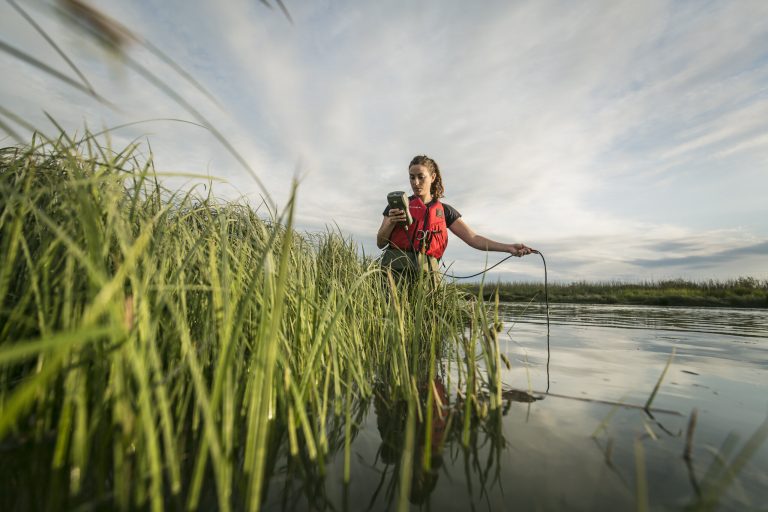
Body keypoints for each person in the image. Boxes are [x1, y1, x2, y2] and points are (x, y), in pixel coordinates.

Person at [376, 155, 534, 276]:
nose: (415, 183)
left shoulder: (446, 211)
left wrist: (509, 248)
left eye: (420, 177)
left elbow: (473, 239)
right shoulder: (395, 207)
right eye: (412, 177)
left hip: (428, 275)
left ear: (432, 177)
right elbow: (380, 243)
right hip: (394, 271)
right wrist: (390, 222)